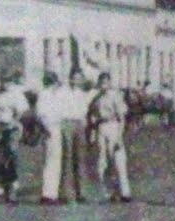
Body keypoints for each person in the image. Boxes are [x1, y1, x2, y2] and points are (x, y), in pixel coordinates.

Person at [40, 69, 90, 204]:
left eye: (80, 78)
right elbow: (57, 109)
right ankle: (65, 193)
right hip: (66, 124)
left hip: (79, 124)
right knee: (67, 158)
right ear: (70, 79)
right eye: (74, 78)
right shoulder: (63, 92)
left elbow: (85, 111)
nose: (77, 81)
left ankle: (81, 192)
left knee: (80, 158)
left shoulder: (83, 94)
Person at [88, 72, 132, 202]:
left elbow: (122, 118)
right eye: (101, 83)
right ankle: (111, 191)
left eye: (106, 83)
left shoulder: (116, 96)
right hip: (101, 127)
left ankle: (125, 192)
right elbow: (92, 114)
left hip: (113, 126)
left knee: (118, 160)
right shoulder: (96, 98)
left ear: (110, 83)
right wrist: (93, 132)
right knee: (103, 161)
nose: (103, 86)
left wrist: (119, 136)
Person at [0, 75, 28, 202]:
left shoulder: (16, 94)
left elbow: (22, 110)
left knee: (11, 154)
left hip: (11, 127)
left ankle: (12, 185)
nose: (5, 85)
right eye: (3, 82)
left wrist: (15, 119)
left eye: (8, 82)